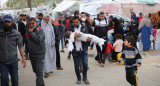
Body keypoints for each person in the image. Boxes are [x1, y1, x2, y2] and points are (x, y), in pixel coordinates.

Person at [0, 14, 26, 86]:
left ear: (11, 22)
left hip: (13, 62)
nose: (7, 24)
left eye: (8, 22)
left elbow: (20, 46)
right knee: (4, 80)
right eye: (5, 22)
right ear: (3, 22)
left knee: (15, 80)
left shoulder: (16, 33)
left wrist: (23, 57)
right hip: (2, 62)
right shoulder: (0, 33)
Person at [68, 16, 90, 85]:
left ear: (79, 21)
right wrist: (74, 36)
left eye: (76, 22)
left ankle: (85, 78)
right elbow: (67, 36)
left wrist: (88, 40)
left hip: (83, 49)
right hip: (75, 50)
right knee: (76, 66)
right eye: (74, 22)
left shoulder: (84, 27)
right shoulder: (70, 28)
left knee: (85, 64)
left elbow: (87, 36)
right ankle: (78, 78)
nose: (75, 23)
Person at [25, 17, 46, 86]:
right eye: (30, 24)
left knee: (39, 73)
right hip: (32, 55)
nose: (31, 25)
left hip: (40, 54)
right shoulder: (27, 30)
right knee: (36, 71)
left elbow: (38, 40)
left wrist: (31, 33)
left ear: (36, 23)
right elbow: (27, 42)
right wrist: (26, 53)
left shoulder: (40, 30)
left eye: (32, 23)